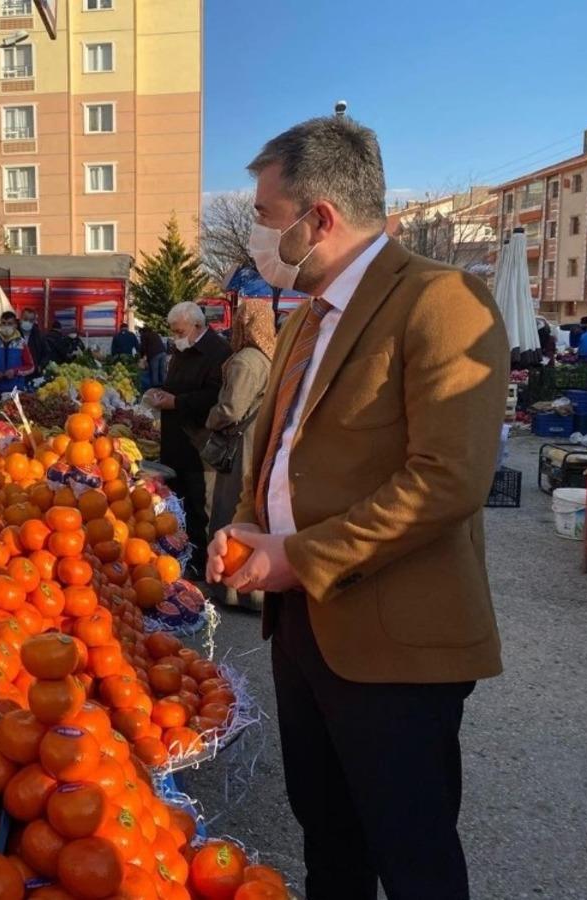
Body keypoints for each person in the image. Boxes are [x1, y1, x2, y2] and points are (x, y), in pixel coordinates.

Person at [206, 116, 508, 900]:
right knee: (328, 842)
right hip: (303, 629)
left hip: (394, 644)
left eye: (268, 220)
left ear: (320, 218)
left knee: (412, 858)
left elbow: (448, 479)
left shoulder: (442, 301)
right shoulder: (306, 318)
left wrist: (296, 554)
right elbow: (282, 448)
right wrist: (247, 524)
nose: (259, 242)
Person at [143, 301, 231, 561]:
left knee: (197, 503)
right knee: (178, 500)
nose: (175, 338)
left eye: (179, 332)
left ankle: (201, 559)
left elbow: (216, 397)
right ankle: (181, 555)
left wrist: (177, 402)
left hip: (199, 442)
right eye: (173, 332)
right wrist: (160, 392)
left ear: (197, 325)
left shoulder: (218, 352)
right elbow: (176, 384)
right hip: (175, 438)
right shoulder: (185, 348)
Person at [206, 300, 275, 540]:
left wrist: (210, 419)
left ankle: (224, 565)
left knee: (231, 505)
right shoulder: (269, 356)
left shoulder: (246, 361)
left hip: (240, 445)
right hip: (258, 438)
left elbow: (231, 409)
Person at [0, 311, 36, 395]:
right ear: (0, 325)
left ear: (15, 325)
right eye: (3, 323)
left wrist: (15, 371)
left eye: (9, 324)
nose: (6, 326)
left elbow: (31, 367)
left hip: (16, 390)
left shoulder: (21, 343)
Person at [20, 309, 49, 373]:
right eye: (25, 319)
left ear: (34, 321)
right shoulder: (14, 334)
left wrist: (40, 366)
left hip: (33, 373)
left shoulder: (39, 335)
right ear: (20, 318)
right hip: (16, 374)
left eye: (31, 320)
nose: (27, 322)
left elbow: (47, 353)